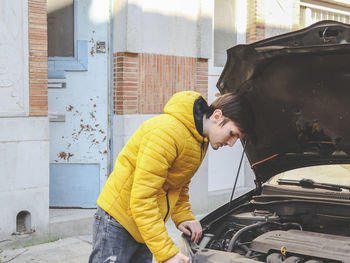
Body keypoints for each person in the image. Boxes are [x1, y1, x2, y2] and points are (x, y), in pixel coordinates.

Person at [89, 91, 255, 263]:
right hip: (118, 222)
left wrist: (183, 217)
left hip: (145, 224)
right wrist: (167, 253)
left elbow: (178, 184)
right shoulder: (166, 134)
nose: (231, 143)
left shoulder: (200, 140)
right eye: (232, 134)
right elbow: (142, 199)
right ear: (217, 116)